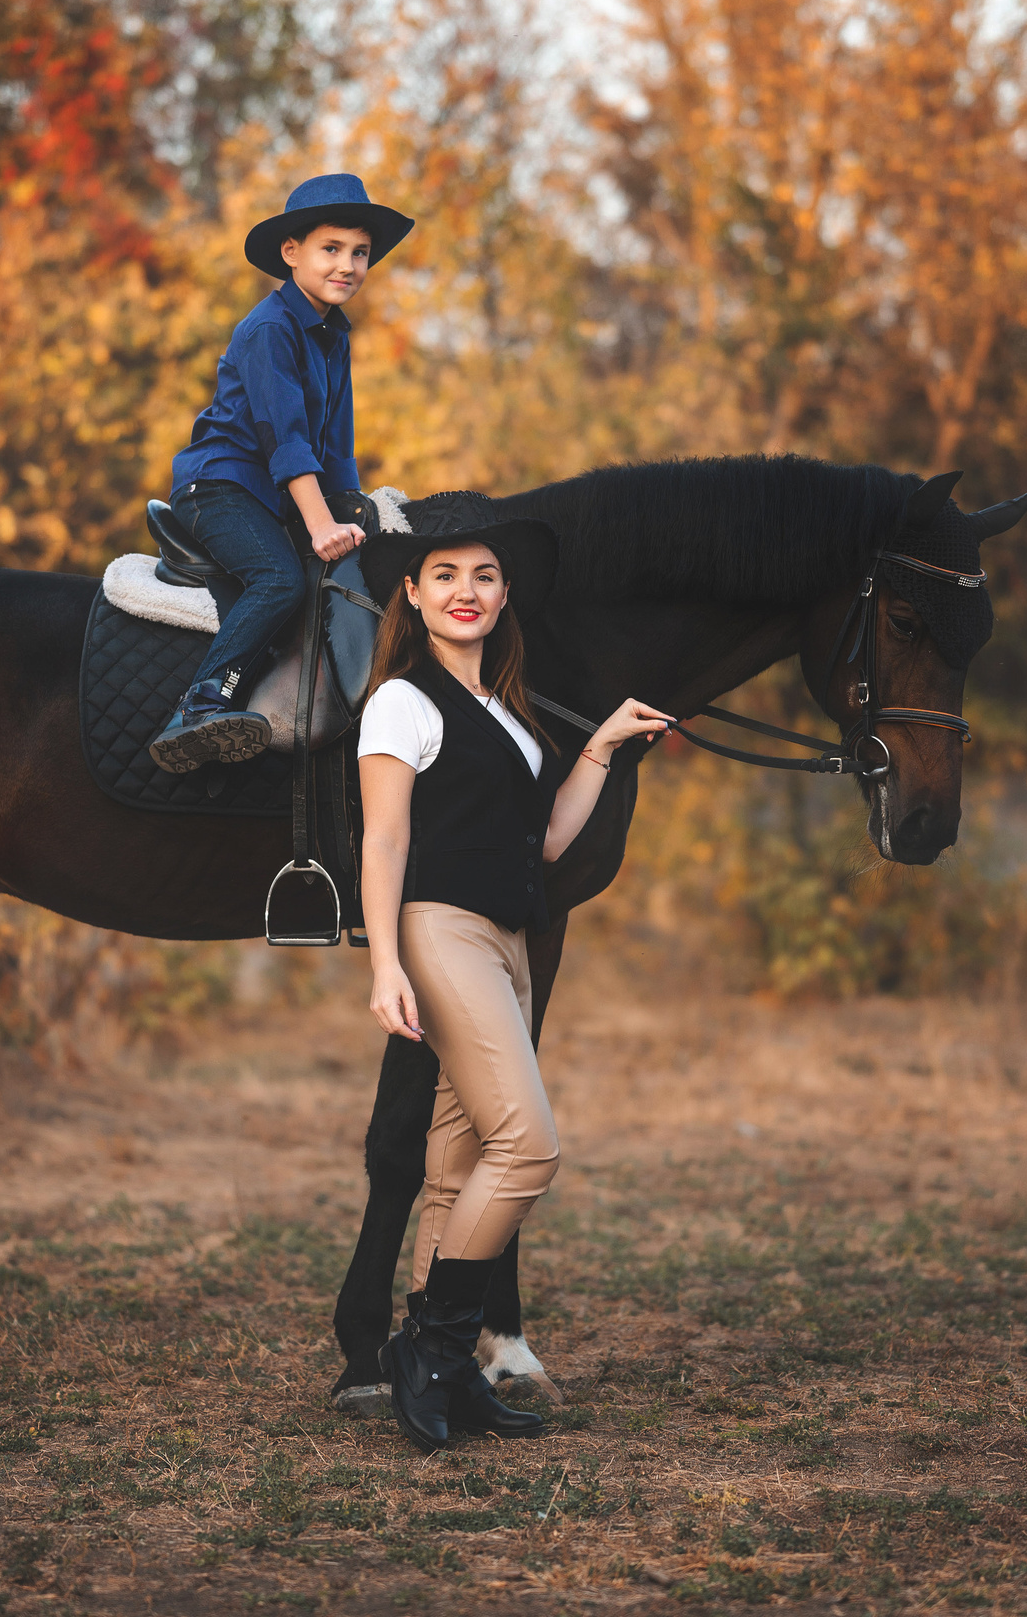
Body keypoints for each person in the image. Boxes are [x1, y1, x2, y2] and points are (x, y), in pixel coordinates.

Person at [353, 523, 674, 1451]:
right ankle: (428, 1348)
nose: (468, 590)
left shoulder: (505, 711)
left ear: (502, 598)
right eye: (445, 575)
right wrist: (385, 963)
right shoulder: (400, 705)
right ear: (411, 594)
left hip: (507, 942)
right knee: (529, 1148)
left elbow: (544, 844)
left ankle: (445, 1376)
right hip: (440, 930)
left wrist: (602, 746)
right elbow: (383, 843)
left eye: (485, 577)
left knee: (456, 1169)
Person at [149, 173, 416, 774]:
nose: (347, 265)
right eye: (331, 249)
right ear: (291, 253)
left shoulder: (334, 336)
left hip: (276, 493)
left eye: (360, 253)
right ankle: (200, 704)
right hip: (220, 485)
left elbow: (337, 446)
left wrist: (354, 515)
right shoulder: (271, 328)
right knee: (279, 581)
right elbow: (286, 440)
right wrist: (321, 525)